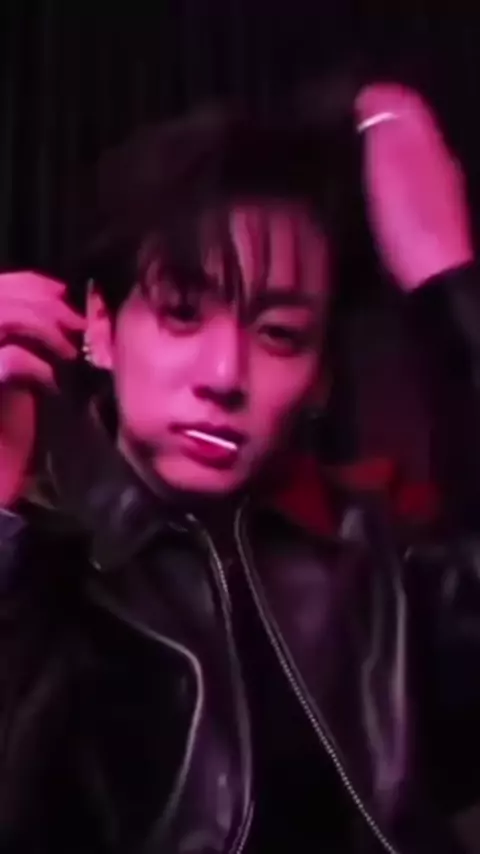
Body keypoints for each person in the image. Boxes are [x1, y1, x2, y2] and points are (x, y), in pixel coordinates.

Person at [0, 81, 480, 854]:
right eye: (182, 314)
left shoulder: (375, 577)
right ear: (102, 327)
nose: (225, 374)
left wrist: (446, 286)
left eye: (280, 334)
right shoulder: (42, 568)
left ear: (321, 379)